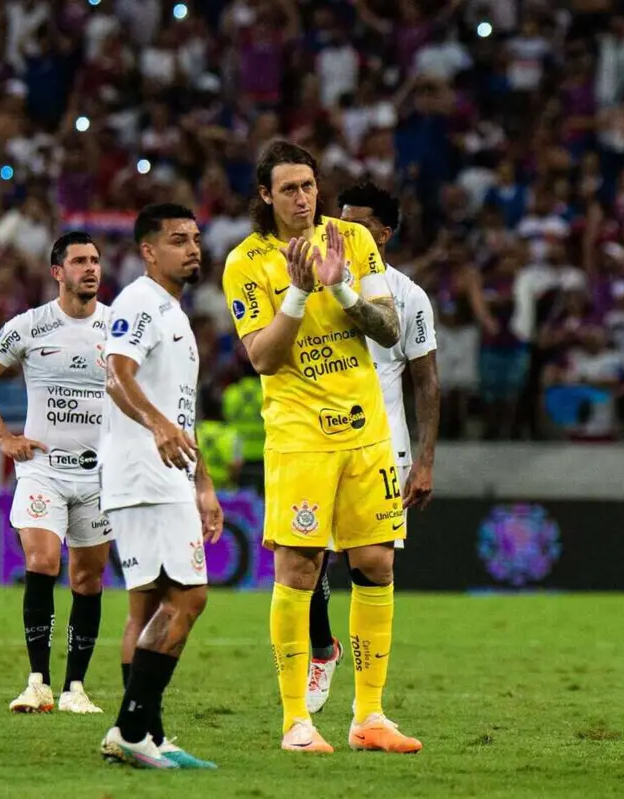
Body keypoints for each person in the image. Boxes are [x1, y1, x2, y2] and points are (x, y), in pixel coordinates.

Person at [221, 141, 422, 754]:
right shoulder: (246, 262)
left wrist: (342, 291)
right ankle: (296, 723)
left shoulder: (352, 242)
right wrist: (300, 294)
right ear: (265, 196)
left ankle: (369, 716)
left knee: (377, 564)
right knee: (300, 568)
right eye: (289, 189)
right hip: (300, 436)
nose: (304, 198)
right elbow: (262, 356)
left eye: (309, 185)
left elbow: (389, 330)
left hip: (366, 431)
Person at [0, 231, 113, 715]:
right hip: (41, 470)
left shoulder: (118, 327)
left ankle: (76, 689)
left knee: (88, 581)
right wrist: (4, 438)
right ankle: (37, 683)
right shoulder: (30, 326)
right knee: (44, 561)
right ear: (57, 272)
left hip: (99, 476)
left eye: (95, 261)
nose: (90, 269)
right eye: (79, 262)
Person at [304, 182, 440, 713]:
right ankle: (322, 649)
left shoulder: (408, 297)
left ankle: (369, 702)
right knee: (311, 558)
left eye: (353, 225)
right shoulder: (313, 283)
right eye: (336, 222)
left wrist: (425, 460)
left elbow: (427, 382)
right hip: (320, 439)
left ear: (381, 235)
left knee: (371, 566)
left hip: (383, 448)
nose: (336, 233)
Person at [99, 203, 223, 769]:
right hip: (145, 473)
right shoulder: (139, 302)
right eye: (178, 239)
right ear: (149, 251)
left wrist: (204, 483)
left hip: (165, 474)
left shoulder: (173, 310)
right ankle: (130, 729)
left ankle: (147, 735)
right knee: (189, 596)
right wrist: (155, 426)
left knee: (146, 606)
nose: (193, 248)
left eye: (195, 238)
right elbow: (116, 372)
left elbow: (180, 410)